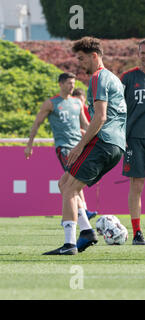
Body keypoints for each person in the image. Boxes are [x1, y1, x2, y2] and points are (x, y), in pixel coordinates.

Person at [43, 36, 127, 255]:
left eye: (81, 58)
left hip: (103, 141)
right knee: (65, 184)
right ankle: (87, 232)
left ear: (94, 56)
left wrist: (80, 145)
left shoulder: (98, 77)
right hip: (116, 144)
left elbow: (99, 118)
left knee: (69, 188)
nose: (79, 63)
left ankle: (69, 245)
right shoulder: (114, 78)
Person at [25, 73, 97, 221]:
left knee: (74, 180)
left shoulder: (77, 103)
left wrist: (97, 139)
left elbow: (85, 124)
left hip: (79, 147)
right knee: (73, 179)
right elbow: (37, 124)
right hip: (64, 147)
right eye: (69, 83)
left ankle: (80, 213)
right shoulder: (51, 103)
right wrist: (29, 145)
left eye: (73, 83)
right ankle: (83, 211)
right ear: (61, 84)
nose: (72, 86)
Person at [120, 39, 145, 245]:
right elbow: (116, 109)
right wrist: (120, 134)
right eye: (142, 52)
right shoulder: (128, 78)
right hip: (134, 138)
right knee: (137, 185)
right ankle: (137, 232)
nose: (144, 55)